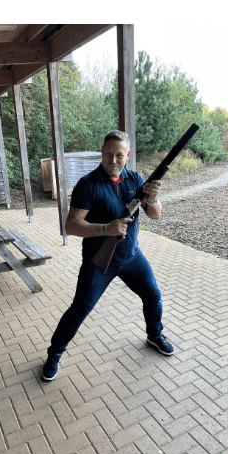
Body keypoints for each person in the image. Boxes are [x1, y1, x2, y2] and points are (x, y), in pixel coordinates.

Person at [41, 131, 171, 381]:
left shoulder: (136, 180)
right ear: (102, 152)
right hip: (98, 263)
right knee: (79, 310)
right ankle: (55, 353)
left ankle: (154, 335)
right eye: (109, 154)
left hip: (132, 258)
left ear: (128, 155)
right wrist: (105, 229)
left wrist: (153, 197)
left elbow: (155, 214)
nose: (114, 160)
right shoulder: (87, 185)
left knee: (153, 296)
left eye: (119, 155)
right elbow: (71, 226)